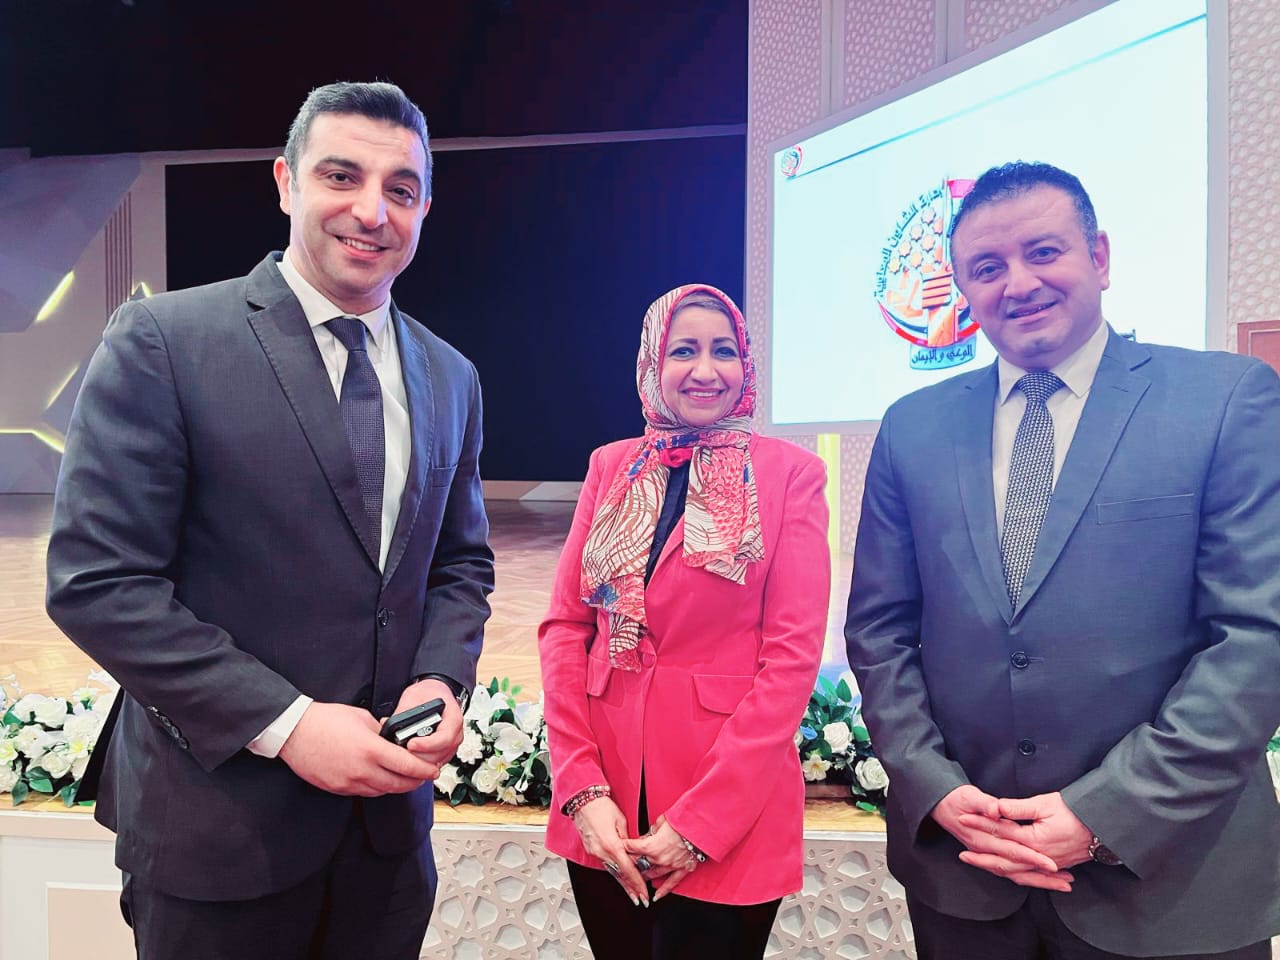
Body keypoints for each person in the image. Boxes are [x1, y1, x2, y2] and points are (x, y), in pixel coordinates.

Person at [45, 81, 494, 959]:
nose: (372, 211)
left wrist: (443, 679)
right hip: (216, 836)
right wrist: (288, 723)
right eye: (341, 176)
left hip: (386, 845)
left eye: (401, 189)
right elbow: (98, 583)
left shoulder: (451, 375)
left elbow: (459, 564)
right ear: (286, 182)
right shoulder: (164, 340)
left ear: (424, 209)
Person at [844, 161, 1280, 959]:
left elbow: (1257, 639)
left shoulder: (1225, 400)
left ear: (1100, 257)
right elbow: (880, 631)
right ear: (963, 290)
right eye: (987, 267)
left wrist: (1108, 812)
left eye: (1044, 252)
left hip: (1171, 886)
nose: (1019, 283)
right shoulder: (912, 427)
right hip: (967, 877)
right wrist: (935, 787)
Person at [538, 283, 831, 959]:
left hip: (726, 808)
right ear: (652, 362)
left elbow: (790, 660)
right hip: (606, 807)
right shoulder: (611, 465)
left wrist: (702, 824)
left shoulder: (790, 474)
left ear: (746, 365)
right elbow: (565, 630)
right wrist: (581, 790)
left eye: (724, 351)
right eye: (683, 350)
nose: (705, 369)